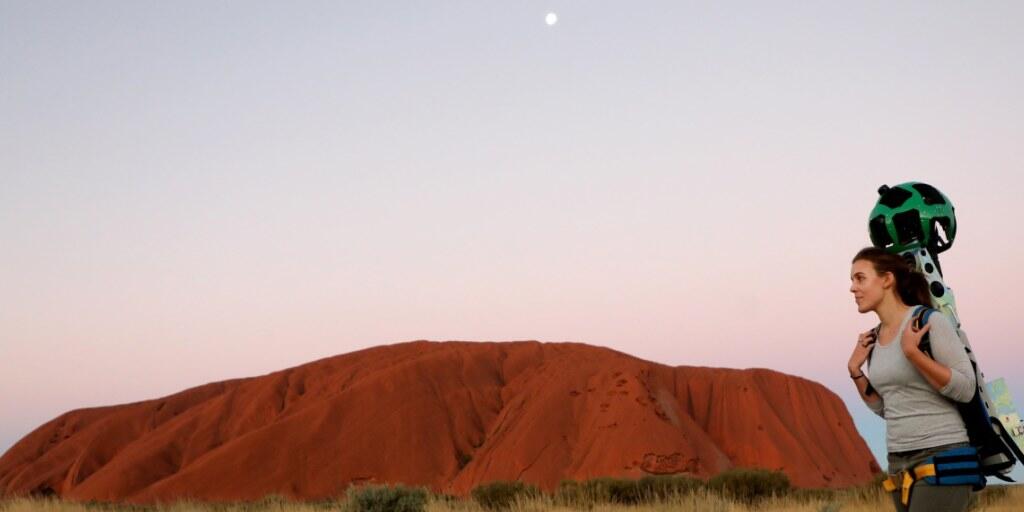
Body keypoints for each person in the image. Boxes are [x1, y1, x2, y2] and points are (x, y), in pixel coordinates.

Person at [847, 246, 978, 512]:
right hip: (898, 463)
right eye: (852, 280)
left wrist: (913, 353)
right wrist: (855, 370)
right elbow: (889, 407)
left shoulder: (928, 322)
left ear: (887, 279)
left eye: (860, 278)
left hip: (941, 454)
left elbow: (966, 389)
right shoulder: (874, 338)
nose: (852, 288)